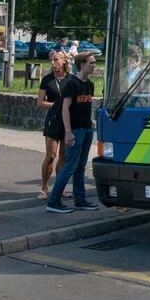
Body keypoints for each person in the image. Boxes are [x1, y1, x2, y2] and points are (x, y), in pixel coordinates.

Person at [47, 52, 99, 213]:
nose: (94, 65)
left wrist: (90, 122)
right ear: (82, 64)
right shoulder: (72, 84)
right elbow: (65, 108)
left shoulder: (89, 84)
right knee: (70, 165)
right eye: (91, 62)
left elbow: (86, 106)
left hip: (87, 129)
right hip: (75, 130)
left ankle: (80, 200)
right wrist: (68, 132)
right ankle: (54, 200)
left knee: (81, 167)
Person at [36, 51, 69, 201]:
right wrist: (56, 105)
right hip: (53, 120)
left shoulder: (71, 79)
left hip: (67, 120)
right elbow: (40, 103)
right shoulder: (47, 80)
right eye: (51, 60)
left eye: (56, 60)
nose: (53, 63)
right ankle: (44, 188)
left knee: (63, 155)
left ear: (64, 61)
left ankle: (60, 187)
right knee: (51, 154)